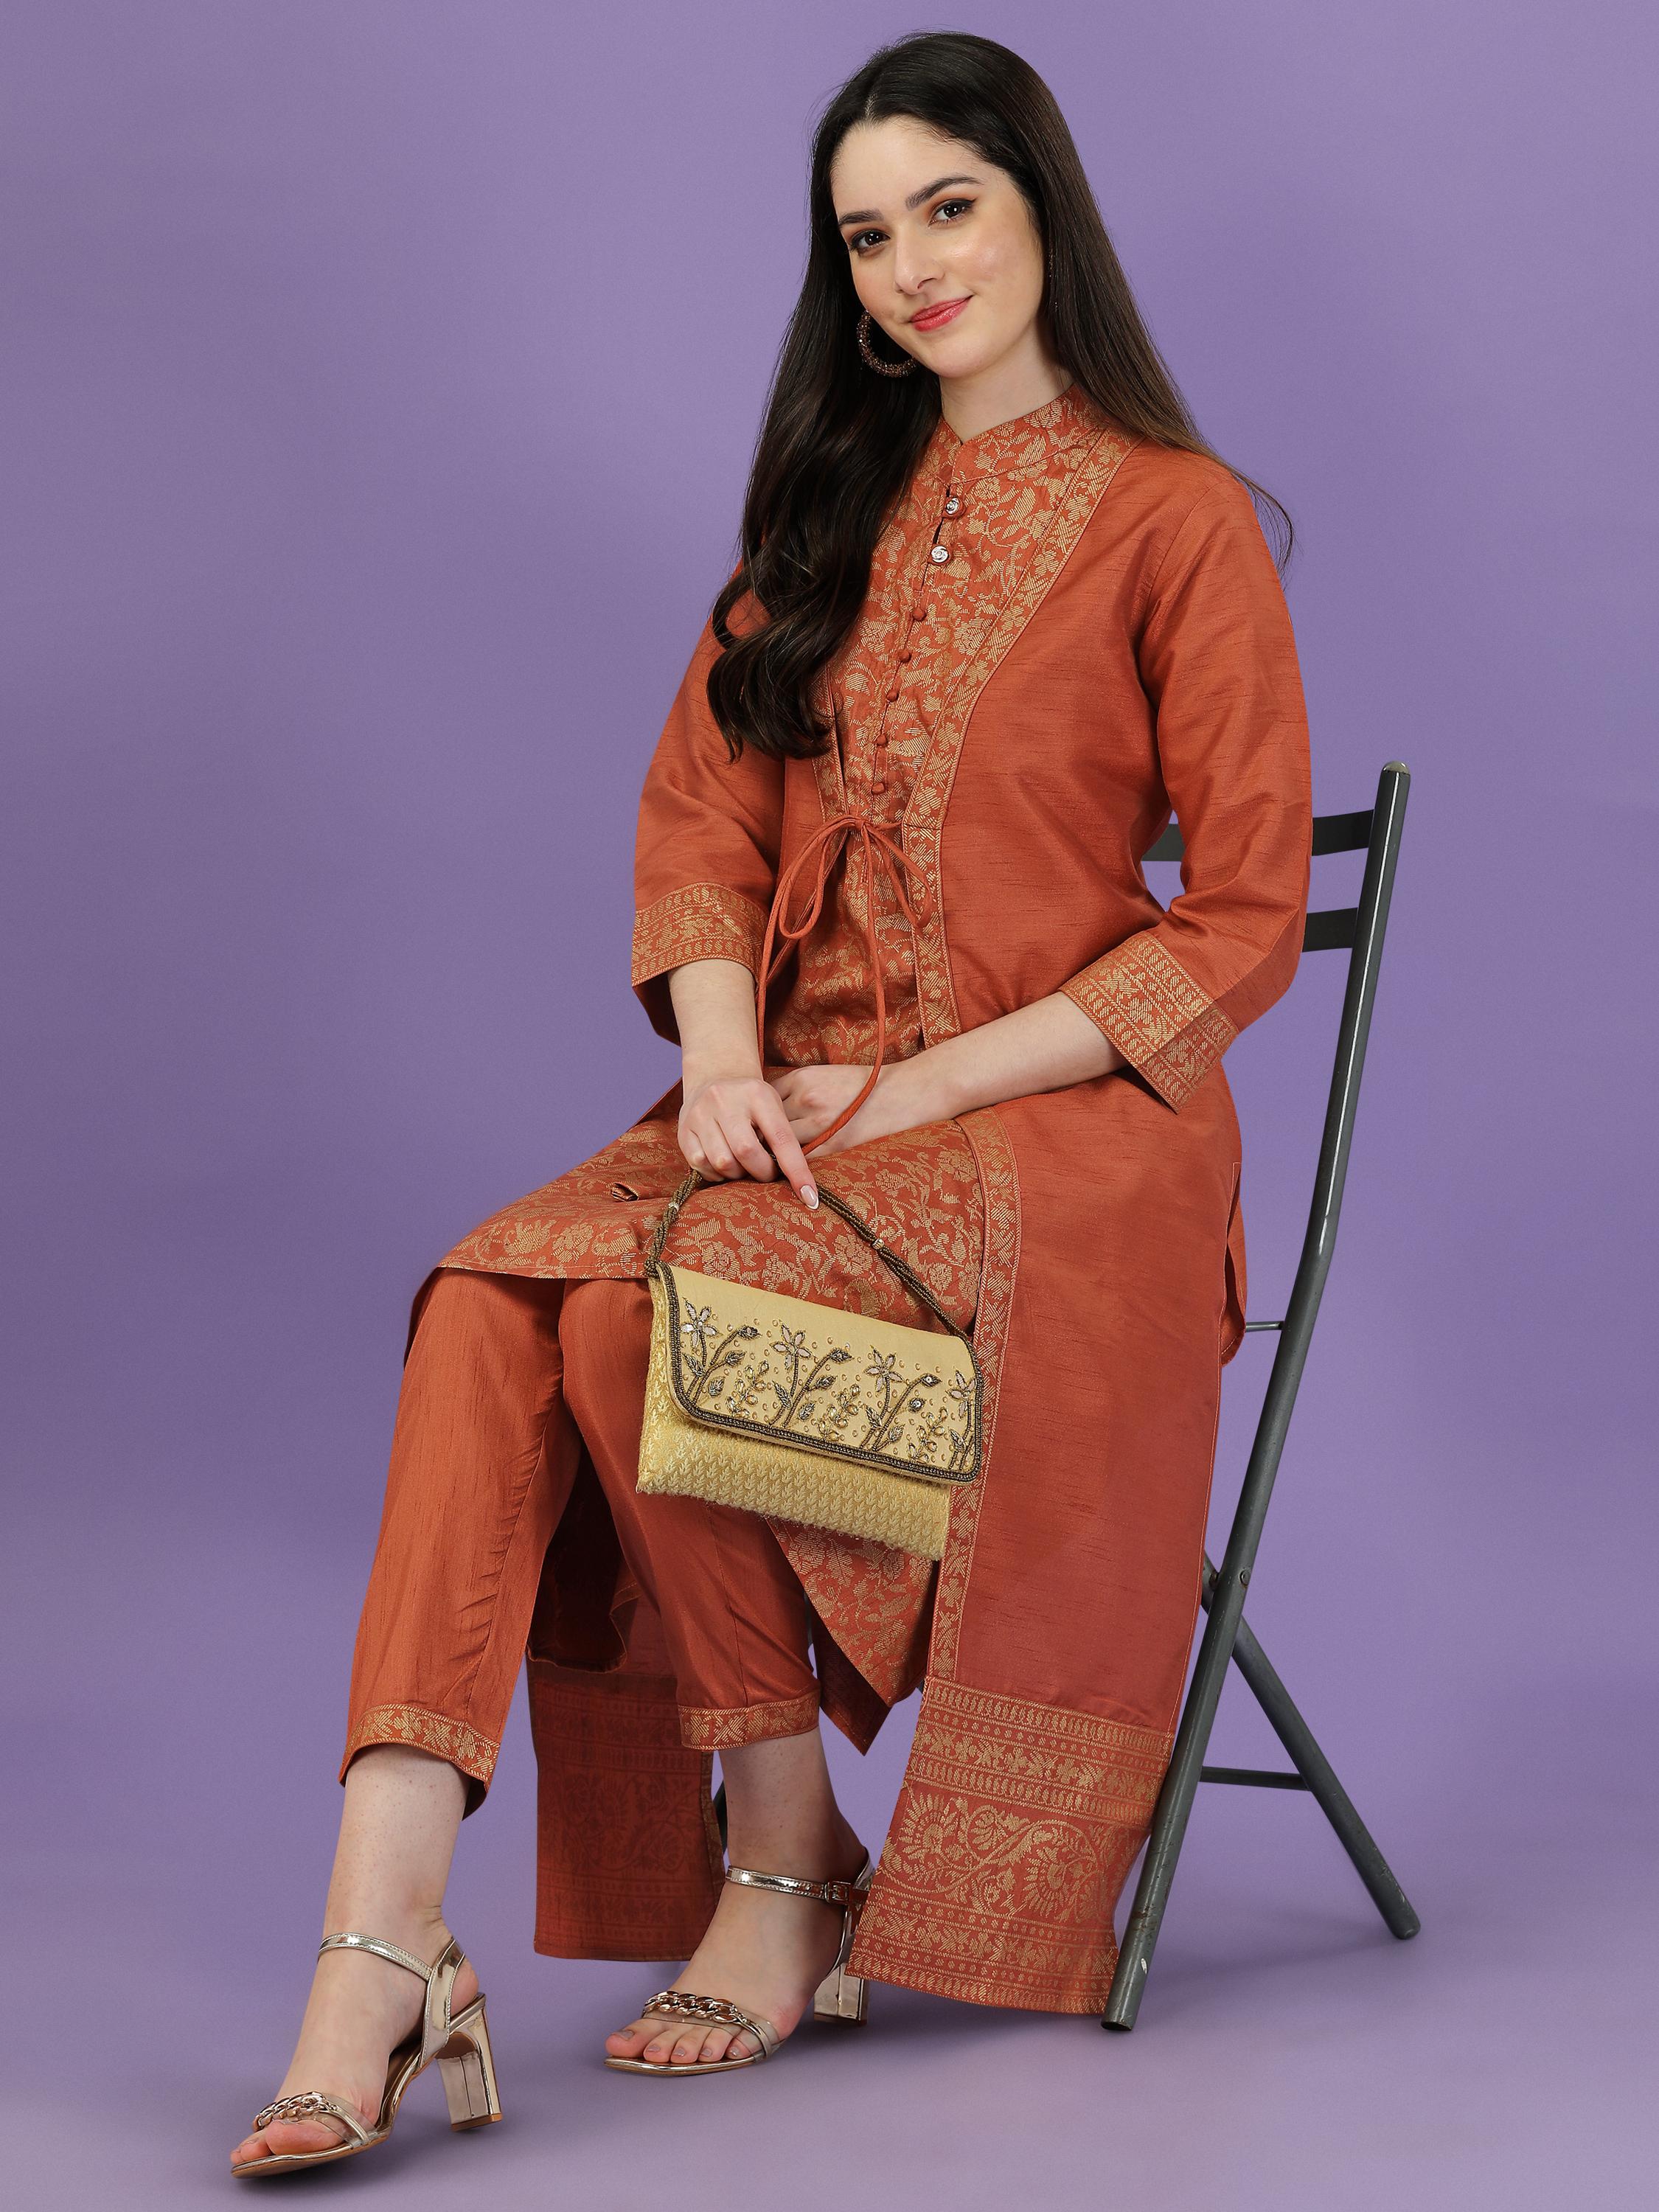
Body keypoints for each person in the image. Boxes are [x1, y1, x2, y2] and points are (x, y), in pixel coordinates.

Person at [232, 27, 1311, 2177]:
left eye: (950, 208)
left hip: (1063, 1154)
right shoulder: (823, 528)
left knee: (635, 1313)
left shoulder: (1176, 523)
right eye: (868, 236)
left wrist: (915, 1085)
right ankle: (381, 1934)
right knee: (491, 1300)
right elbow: (700, 827)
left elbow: (1240, 922)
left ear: (1040, 209)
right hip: (797, 1126)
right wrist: (725, 1065)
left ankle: (782, 1853)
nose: (915, 266)